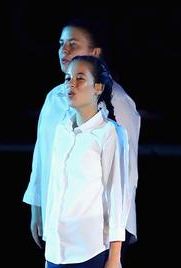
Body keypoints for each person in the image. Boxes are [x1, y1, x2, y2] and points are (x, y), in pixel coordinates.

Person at [41, 55, 130, 268]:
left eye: (80, 78)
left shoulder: (110, 134)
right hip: (58, 253)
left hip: (92, 253)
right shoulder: (62, 130)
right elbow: (54, 189)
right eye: (68, 78)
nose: (72, 84)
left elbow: (116, 196)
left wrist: (114, 257)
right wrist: (50, 249)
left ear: (97, 87)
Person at [23, 18, 140, 248]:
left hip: (98, 230)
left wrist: (115, 234)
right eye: (61, 43)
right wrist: (37, 208)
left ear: (94, 52)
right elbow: (42, 157)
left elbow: (125, 176)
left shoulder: (119, 103)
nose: (64, 50)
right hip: (58, 223)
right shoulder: (54, 99)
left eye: (73, 44)